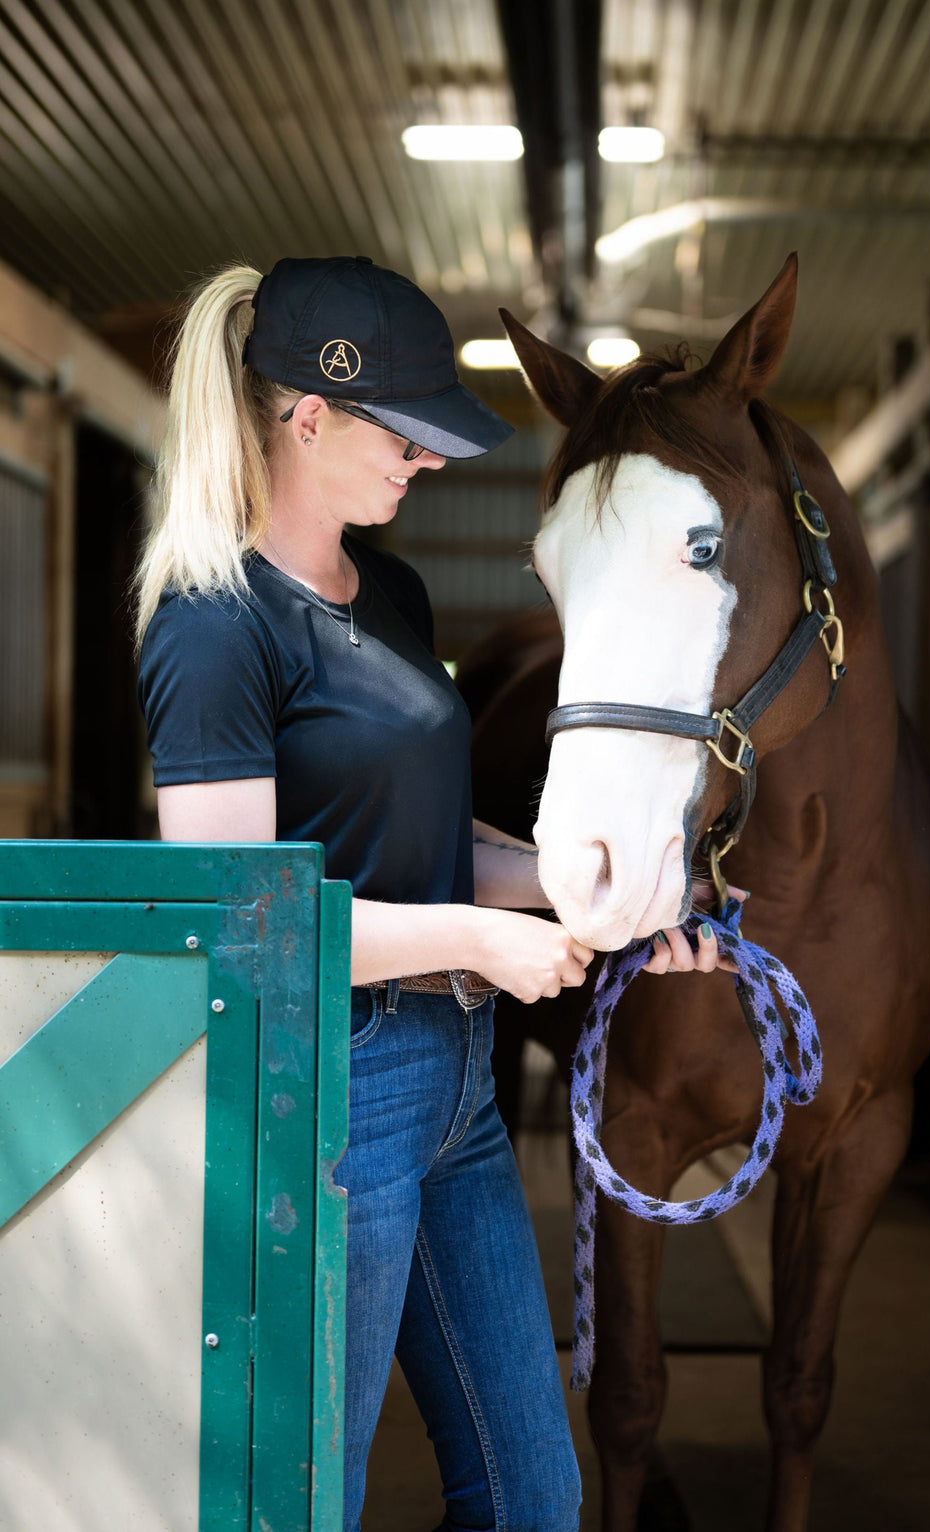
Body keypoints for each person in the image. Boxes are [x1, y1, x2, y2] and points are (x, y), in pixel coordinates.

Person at [134, 254, 729, 1530]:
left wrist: (587, 896)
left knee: (532, 1491)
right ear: (308, 418)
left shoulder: (391, 590)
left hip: (457, 1082)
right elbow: (245, 927)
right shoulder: (211, 627)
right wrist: (476, 938)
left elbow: (426, 836)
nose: (433, 463)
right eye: (407, 434)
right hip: (329, 1097)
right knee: (314, 1495)